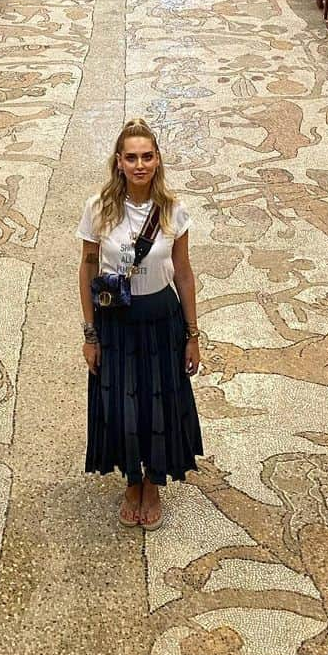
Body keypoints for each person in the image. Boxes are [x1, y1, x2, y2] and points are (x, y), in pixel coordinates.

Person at [77, 118, 203, 530]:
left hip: (161, 320)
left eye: (147, 156)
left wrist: (193, 334)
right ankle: (132, 479)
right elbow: (88, 267)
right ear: (118, 162)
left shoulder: (172, 210)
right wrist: (90, 334)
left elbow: (183, 272)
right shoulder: (98, 208)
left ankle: (152, 481)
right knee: (123, 403)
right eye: (131, 157)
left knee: (158, 403)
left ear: (158, 159)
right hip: (116, 321)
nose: (139, 165)